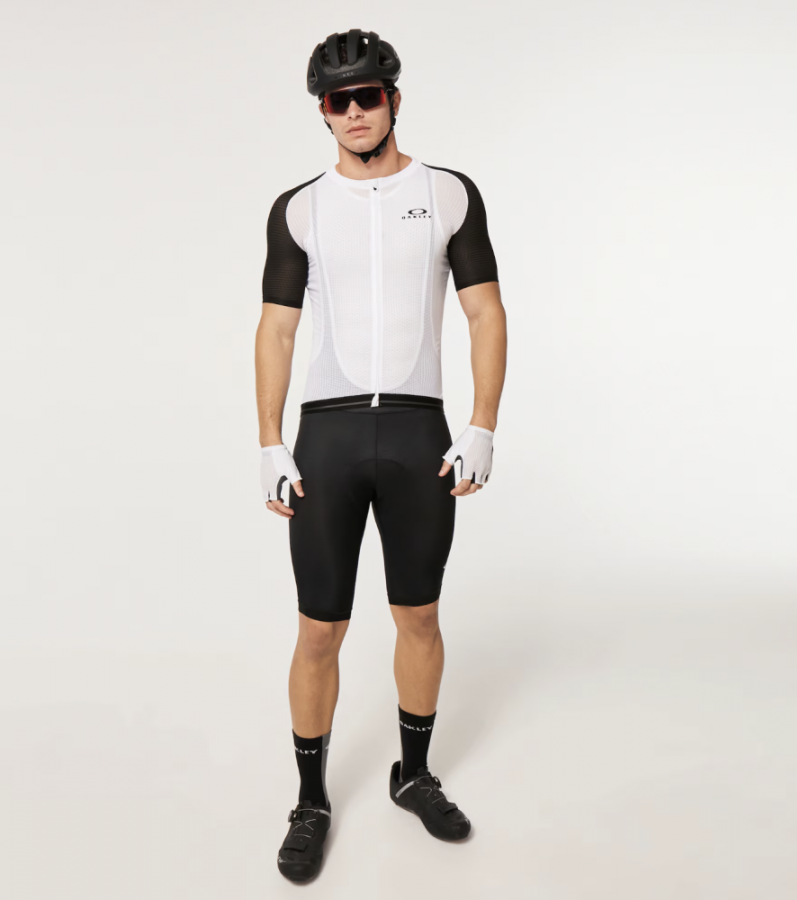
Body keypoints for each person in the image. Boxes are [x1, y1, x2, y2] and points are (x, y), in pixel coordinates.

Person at [255, 29, 507, 883]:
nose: (356, 111)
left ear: (394, 100)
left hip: (415, 433)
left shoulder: (447, 194)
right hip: (325, 436)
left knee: (419, 617)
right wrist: (268, 441)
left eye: (369, 96)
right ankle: (310, 801)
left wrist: (481, 424)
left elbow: (483, 312)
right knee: (318, 628)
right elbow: (276, 329)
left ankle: (413, 774)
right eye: (340, 100)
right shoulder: (298, 207)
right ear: (323, 112)